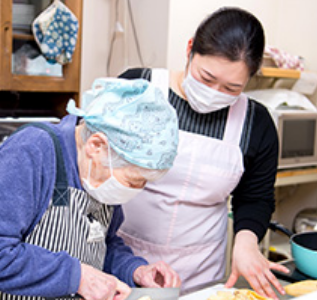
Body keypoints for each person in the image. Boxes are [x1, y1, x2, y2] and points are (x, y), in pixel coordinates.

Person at [117, 7, 289, 300]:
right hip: (119, 256)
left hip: (198, 270)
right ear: (190, 49)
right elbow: (87, 162)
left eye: (232, 87)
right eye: (206, 78)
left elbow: (255, 199)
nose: (215, 92)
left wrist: (246, 244)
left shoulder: (255, 123)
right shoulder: (137, 88)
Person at [0, 78, 181, 300]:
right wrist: (76, 277)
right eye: (133, 181)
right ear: (96, 145)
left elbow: (102, 244)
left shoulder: (100, 177)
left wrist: (134, 269)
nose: (136, 190)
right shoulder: (31, 152)